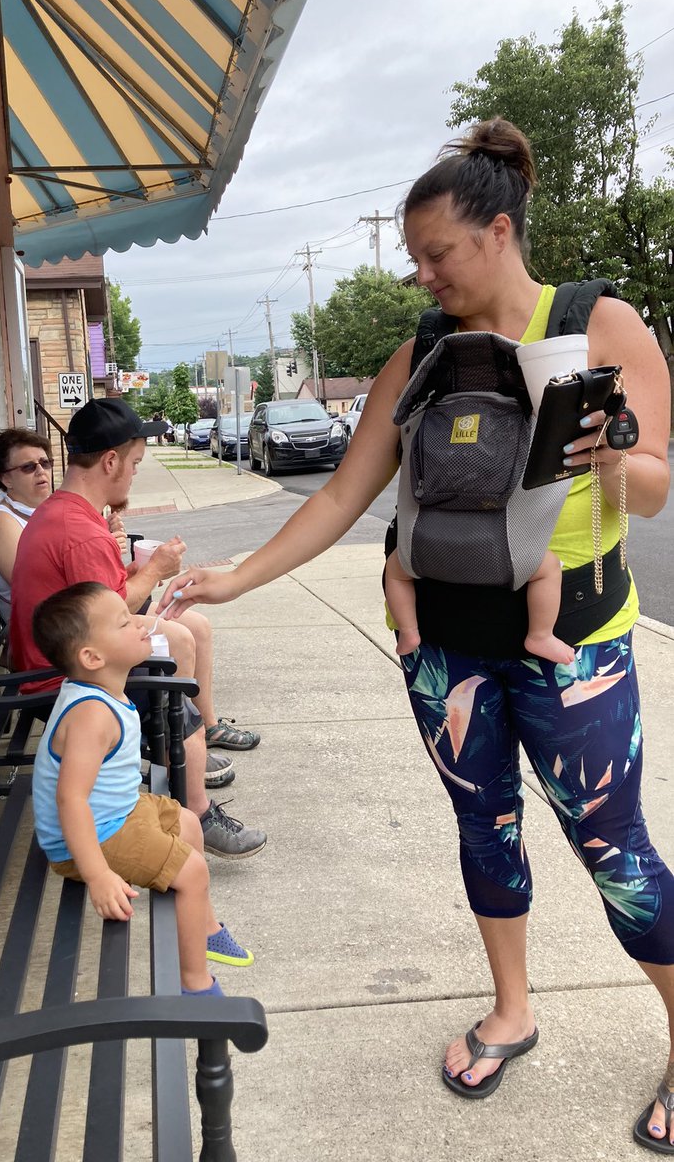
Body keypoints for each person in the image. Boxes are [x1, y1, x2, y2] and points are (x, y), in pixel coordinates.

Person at [159, 119, 674, 1148]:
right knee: (484, 830)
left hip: (575, 646)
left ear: (497, 231)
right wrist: (237, 577)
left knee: (614, 849)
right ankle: (512, 1009)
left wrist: (613, 459)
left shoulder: (602, 325)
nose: (424, 275)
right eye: (416, 259)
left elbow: (655, 490)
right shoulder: (420, 357)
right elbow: (340, 496)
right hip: (443, 650)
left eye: (437, 254)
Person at [9, 397, 267, 860]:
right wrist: (156, 570)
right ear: (110, 461)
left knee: (188, 629)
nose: (133, 475)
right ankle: (196, 805)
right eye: (134, 464)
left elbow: (101, 600)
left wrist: (133, 570)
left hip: (68, 656)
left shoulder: (70, 513)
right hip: (63, 678)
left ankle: (190, 749)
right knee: (176, 658)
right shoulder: (77, 529)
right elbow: (114, 611)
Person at [31, 582, 253, 995]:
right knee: (192, 872)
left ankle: (203, 927)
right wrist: (98, 875)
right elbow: (70, 798)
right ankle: (194, 986)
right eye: (123, 623)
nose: (138, 624)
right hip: (90, 838)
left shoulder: (103, 691)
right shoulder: (91, 715)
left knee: (188, 822)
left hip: (116, 812)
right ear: (92, 657)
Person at [385, 547, 574, 664]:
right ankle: (540, 635)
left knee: (395, 570)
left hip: (433, 544)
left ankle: (409, 631)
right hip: (496, 544)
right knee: (549, 566)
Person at [0, 428, 54, 624]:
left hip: (66, 620)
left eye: (45, 463)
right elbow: (38, 589)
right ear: (6, 479)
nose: (41, 471)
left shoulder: (42, 509)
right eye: (28, 467)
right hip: (42, 630)